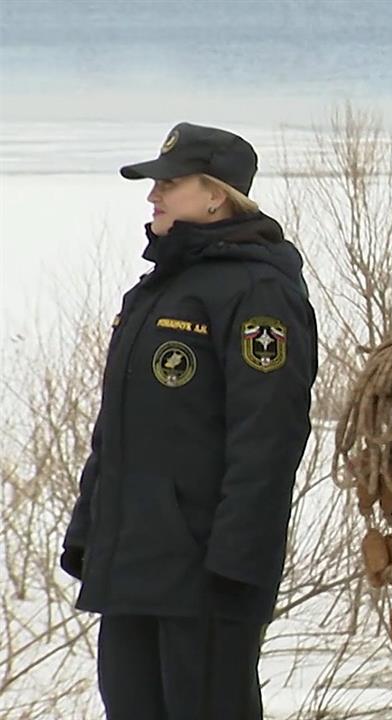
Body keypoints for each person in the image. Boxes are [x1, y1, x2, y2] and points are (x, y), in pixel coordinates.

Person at [60, 122, 318, 720]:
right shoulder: (156, 291)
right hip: (131, 568)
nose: (153, 195)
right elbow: (118, 432)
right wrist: (88, 528)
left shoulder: (258, 291)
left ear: (215, 195)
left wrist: (236, 563)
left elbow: (268, 438)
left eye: (168, 184)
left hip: (203, 577)